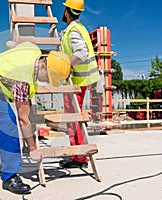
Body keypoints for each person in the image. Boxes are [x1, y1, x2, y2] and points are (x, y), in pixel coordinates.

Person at [0, 42, 71, 195]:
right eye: (49, 78)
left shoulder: (32, 49)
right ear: (43, 66)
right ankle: (10, 176)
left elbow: (11, 44)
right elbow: (23, 119)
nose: (47, 82)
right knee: (8, 124)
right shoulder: (23, 78)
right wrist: (33, 149)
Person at [59, 0, 101, 168]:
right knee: (74, 118)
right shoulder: (77, 28)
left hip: (76, 81)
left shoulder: (73, 30)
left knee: (73, 119)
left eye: (64, 9)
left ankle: (79, 157)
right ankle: (78, 155)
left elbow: (81, 53)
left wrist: (66, 64)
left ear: (67, 11)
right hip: (79, 81)